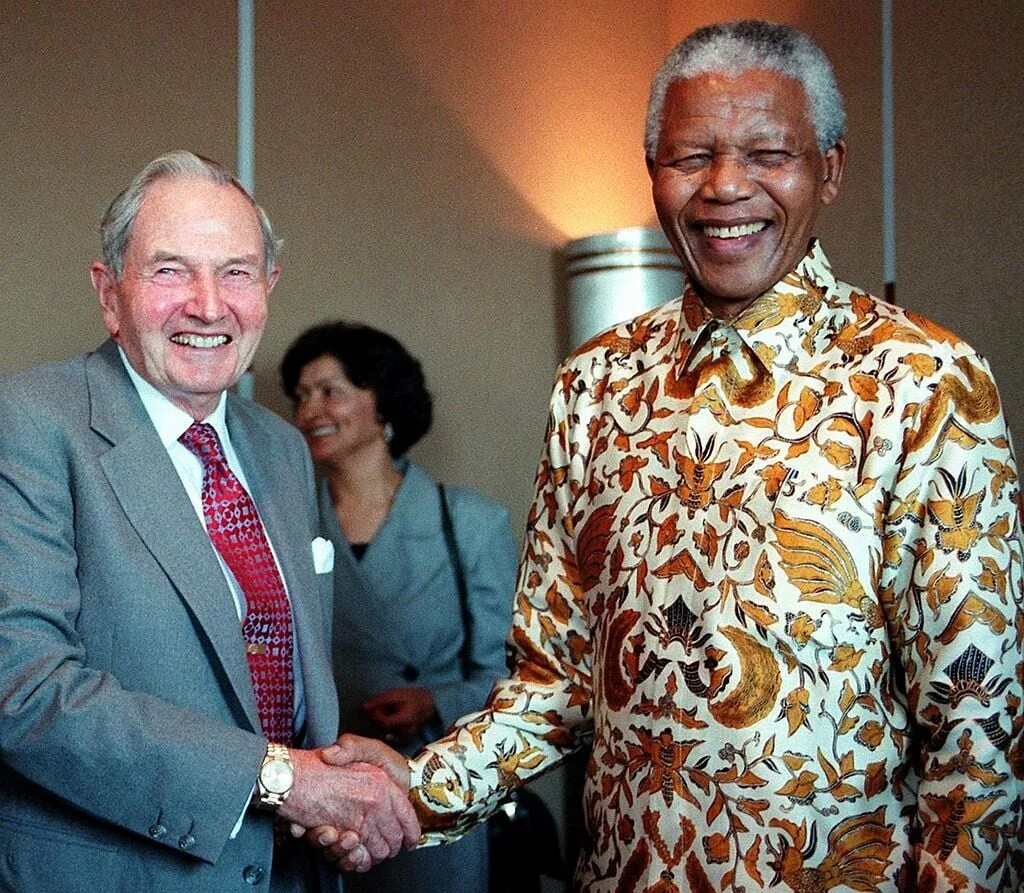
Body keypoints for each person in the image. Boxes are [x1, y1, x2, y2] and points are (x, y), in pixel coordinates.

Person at [326, 19, 1024, 891]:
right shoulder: (595, 385)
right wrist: (416, 787)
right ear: (653, 170)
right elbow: (556, 681)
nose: (725, 185)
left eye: (768, 154)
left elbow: (977, 724)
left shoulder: (923, 381)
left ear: (832, 169)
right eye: (691, 156)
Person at [0, 151, 419, 892]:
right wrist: (285, 779)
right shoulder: (29, 424)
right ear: (109, 292)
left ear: (268, 288)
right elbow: (23, 689)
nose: (208, 304)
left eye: (236, 272)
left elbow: (284, 675)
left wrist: (338, 780)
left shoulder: (282, 449)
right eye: (170, 271)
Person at [280, 321, 518, 892]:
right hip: (317, 799)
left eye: (330, 390)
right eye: (301, 396)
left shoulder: (472, 524)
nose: (310, 410)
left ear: (382, 402)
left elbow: (513, 679)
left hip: (429, 792)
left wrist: (433, 702)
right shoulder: (282, 525)